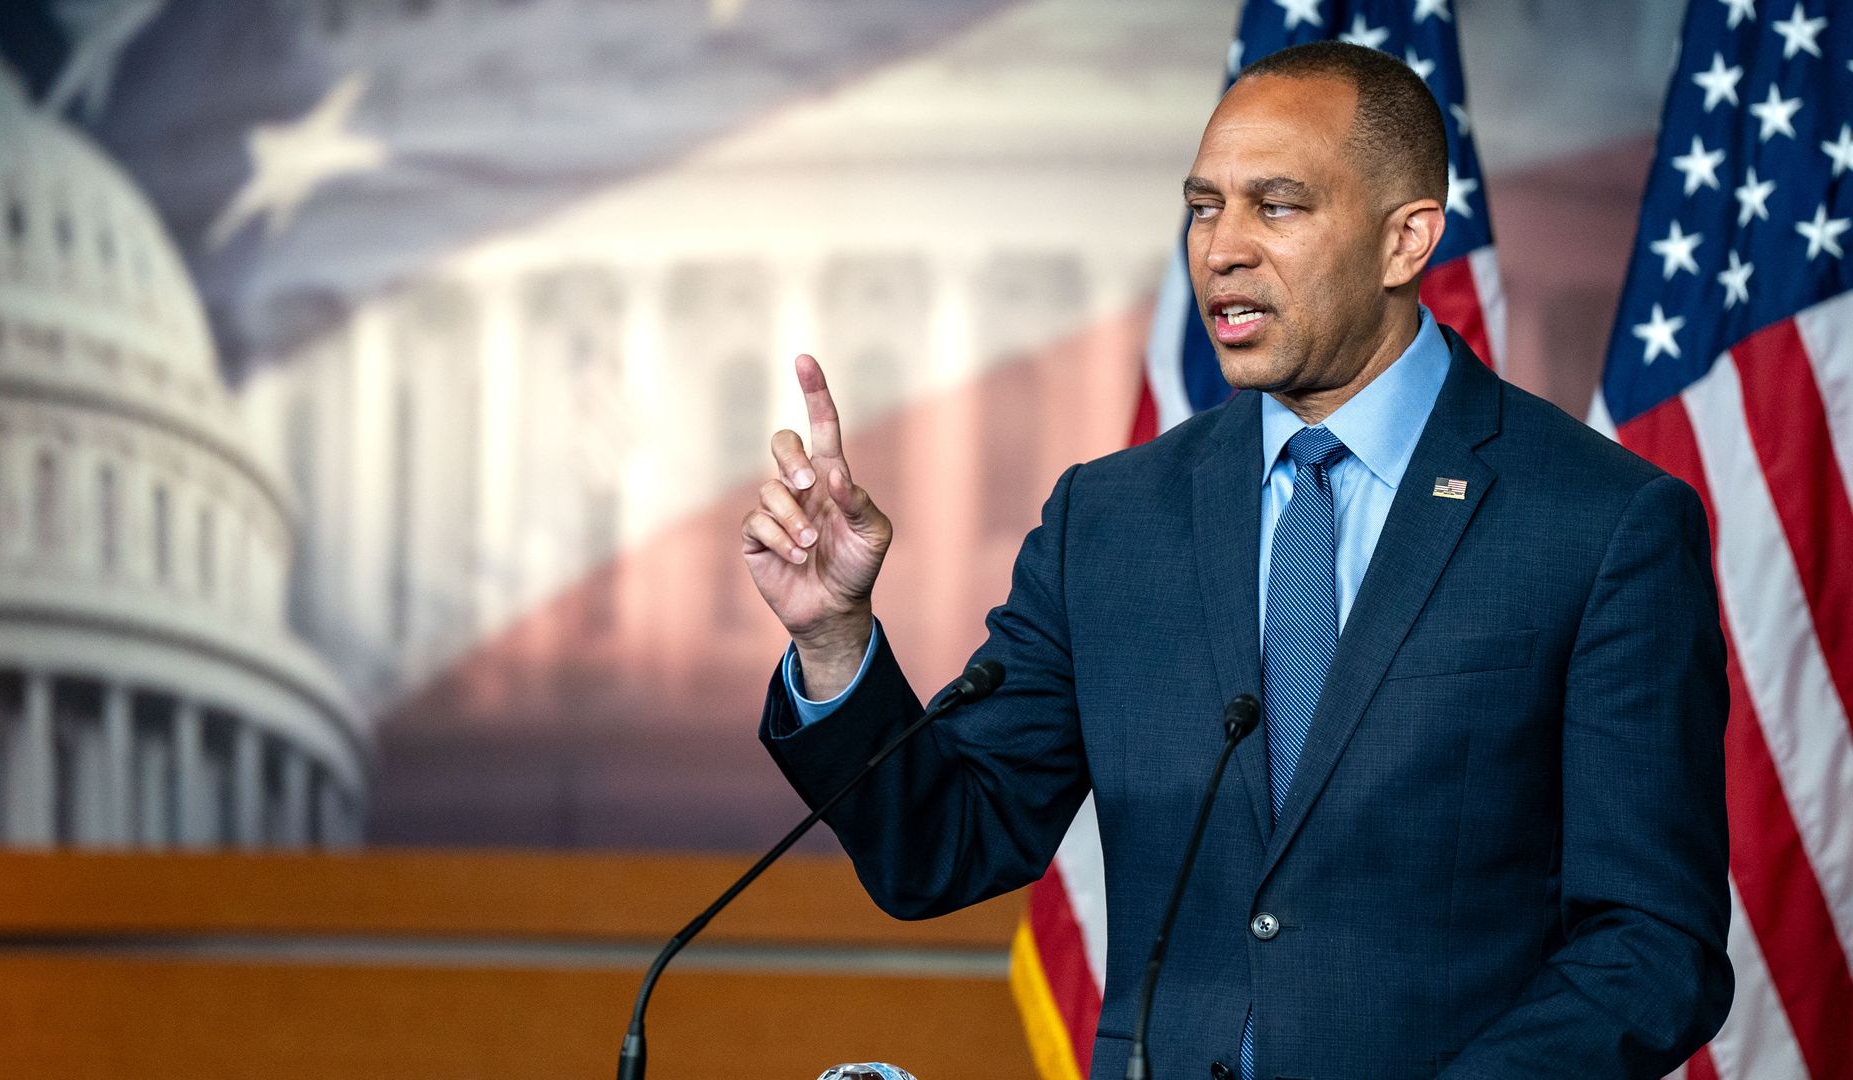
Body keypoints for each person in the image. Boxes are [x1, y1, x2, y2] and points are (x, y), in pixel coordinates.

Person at [740, 41, 1731, 1080]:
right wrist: (834, 637)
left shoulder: (1601, 522)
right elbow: (941, 845)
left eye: (1278, 206)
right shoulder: (1110, 522)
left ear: (1407, 241)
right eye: (1204, 206)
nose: (1221, 248)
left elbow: (1652, 949)